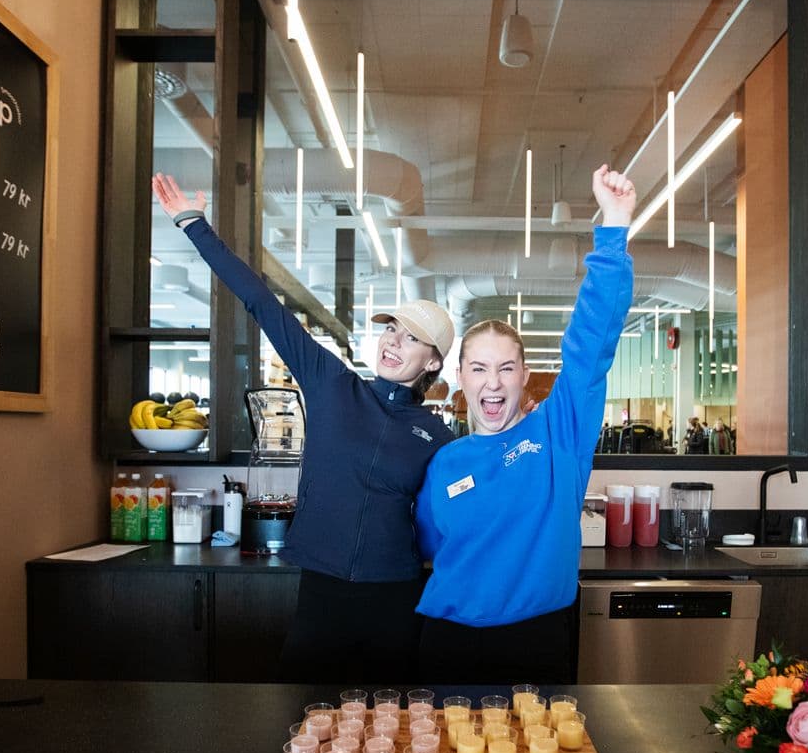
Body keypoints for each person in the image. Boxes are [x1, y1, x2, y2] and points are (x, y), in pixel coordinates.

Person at [151, 173, 455, 684]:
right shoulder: (333, 383)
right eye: (390, 329)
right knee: (302, 724)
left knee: (393, 735)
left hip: (395, 597)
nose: (392, 343)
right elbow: (262, 304)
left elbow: (451, 518)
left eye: (412, 339)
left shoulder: (438, 436)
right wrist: (193, 224)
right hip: (322, 590)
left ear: (433, 363)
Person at [412, 165, 636, 684]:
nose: (493, 383)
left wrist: (614, 228)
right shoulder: (445, 461)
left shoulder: (558, 435)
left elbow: (590, 345)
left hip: (538, 641)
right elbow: (426, 543)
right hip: (447, 642)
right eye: (479, 368)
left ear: (524, 377)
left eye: (506, 368)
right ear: (461, 377)